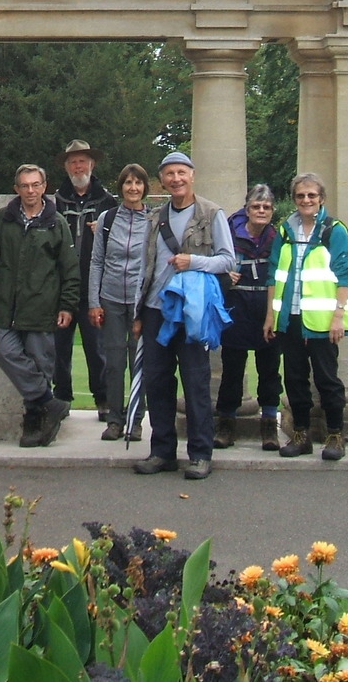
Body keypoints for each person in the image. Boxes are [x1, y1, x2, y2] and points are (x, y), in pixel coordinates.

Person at [131, 152, 235, 480]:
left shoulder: (211, 212)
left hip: (191, 312)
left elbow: (228, 261)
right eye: (169, 174)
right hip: (155, 311)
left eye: (181, 172)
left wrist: (193, 261)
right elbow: (143, 269)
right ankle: (162, 451)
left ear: (192, 175)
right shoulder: (154, 217)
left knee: (195, 382)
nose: (176, 179)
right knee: (157, 382)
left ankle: (201, 454)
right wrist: (137, 313)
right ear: (161, 181)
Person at [0, 164, 79, 448]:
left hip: (43, 306)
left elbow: (69, 270)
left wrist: (67, 306)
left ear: (44, 187)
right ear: (16, 189)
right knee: (7, 354)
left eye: (35, 185)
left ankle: (36, 422)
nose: (30, 191)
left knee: (40, 363)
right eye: (25, 185)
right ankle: (49, 401)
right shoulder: (4, 219)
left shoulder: (56, 222)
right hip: (6, 305)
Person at [263, 172, 348, 461]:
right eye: (301, 196)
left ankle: (335, 435)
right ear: (294, 200)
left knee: (327, 380)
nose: (306, 200)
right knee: (294, 380)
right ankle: (301, 435)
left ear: (321, 199)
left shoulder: (334, 230)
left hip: (322, 322)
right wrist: (270, 315)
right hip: (290, 319)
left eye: (312, 196)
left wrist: (338, 316)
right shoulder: (285, 231)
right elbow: (273, 274)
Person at [213, 184, 282, 450]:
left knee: (269, 372)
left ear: (272, 211)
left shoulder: (278, 239)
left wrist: (273, 315)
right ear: (247, 208)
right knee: (232, 373)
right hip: (236, 311)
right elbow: (212, 264)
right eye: (256, 206)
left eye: (266, 207)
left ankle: (268, 425)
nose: (261, 211)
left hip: (266, 313)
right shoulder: (228, 236)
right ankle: (226, 424)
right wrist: (223, 277)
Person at [53, 140, 118, 417]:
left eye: (82, 161)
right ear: (67, 167)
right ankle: (62, 398)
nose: (78, 166)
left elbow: (124, 244)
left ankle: (102, 400)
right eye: (73, 162)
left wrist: (103, 231)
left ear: (92, 164)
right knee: (58, 349)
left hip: (95, 290)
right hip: (60, 289)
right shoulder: (54, 202)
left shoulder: (108, 202)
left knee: (97, 348)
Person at [88, 163, 151, 442]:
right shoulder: (107, 218)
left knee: (139, 362)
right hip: (111, 299)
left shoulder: (154, 220)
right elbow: (97, 261)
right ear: (121, 186)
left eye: (138, 183)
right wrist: (93, 301)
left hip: (141, 302)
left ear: (145, 187)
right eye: (128, 183)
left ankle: (136, 419)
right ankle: (114, 419)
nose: (133, 188)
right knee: (113, 363)